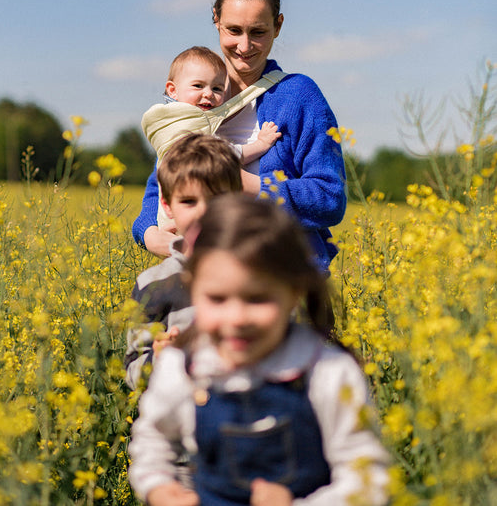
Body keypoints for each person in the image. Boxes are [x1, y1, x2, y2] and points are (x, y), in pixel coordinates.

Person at [128, 194, 390, 506]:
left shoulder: (328, 371)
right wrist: (158, 487)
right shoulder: (183, 365)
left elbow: (368, 476)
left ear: (293, 293)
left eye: (257, 299)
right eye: (217, 299)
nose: (236, 319)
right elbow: (152, 440)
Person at [133, 0, 347, 272]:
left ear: (278, 26)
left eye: (257, 32)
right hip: (203, 283)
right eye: (233, 30)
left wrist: (247, 185)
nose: (244, 46)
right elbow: (162, 182)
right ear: (215, 20)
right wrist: (148, 233)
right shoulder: (195, 93)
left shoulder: (299, 96)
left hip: (280, 279)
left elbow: (330, 197)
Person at [124, 133, 243, 390]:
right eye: (189, 201)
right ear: (167, 206)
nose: (203, 212)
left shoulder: (255, 276)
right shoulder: (153, 283)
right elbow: (134, 372)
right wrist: (159, 357)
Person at [142, 45, 282, 229]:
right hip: (184, 217)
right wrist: (261, 144)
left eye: (217, 88)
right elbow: (223, 156)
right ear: (172, 90)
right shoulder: (184, 122)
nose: (208, 93)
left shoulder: (167, 119)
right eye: (198, 86)